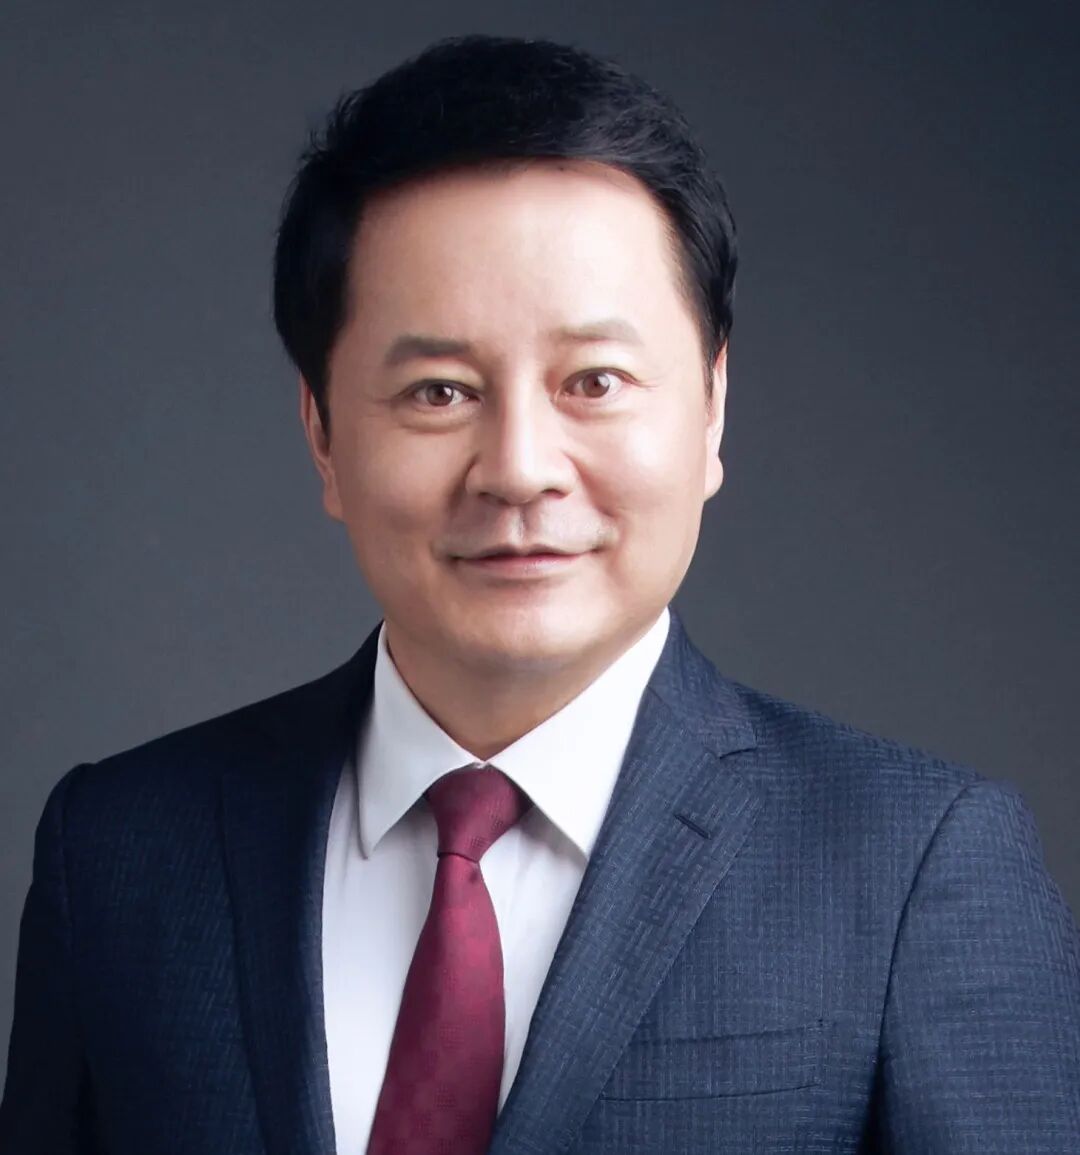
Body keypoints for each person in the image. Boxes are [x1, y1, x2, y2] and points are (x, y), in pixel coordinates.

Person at [2, 31, 1078, 1155]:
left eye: (594, 381)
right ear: (322, 432)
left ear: (710, 407)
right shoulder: (121, 851)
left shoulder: (912, 864)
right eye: (439, 391)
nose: (518, 468)